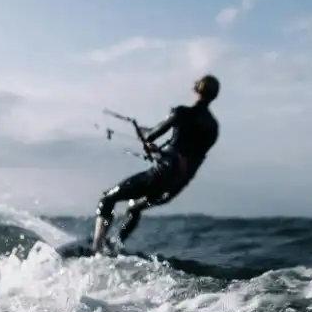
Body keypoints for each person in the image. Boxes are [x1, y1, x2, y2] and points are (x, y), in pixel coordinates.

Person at [91, 74, 220, 253]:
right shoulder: (213, 127)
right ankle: (114, 246)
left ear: (196, 89)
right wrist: (160, 150)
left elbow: (151, 135)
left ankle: (96, 250)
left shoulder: (181, 113)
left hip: (160, 175)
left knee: (107, 199)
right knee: (134, 208)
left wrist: (147, 134)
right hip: (175, 186)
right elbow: (187, 152)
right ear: (215, 95)